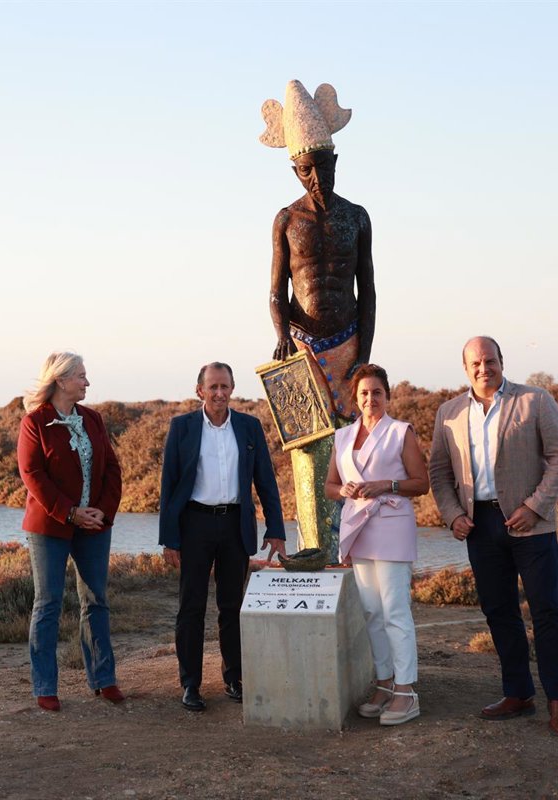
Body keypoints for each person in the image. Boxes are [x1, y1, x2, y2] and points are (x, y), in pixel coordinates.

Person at [428, 336, 558, 737]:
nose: (484, 368)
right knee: (499, 612)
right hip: (480, 527)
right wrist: (453, 515)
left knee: (547, 611)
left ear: (501, 361)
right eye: (475, 363)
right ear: (465, 369)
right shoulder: (449, 413)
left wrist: (535, 507)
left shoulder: (535, 400)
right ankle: (518, 693)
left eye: (489, 360)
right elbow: (438, 473)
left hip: (532, 524)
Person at [259, 80, 376, 563]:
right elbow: (276, 291)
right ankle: (311, 545)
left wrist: (363, 356)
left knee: (350, 442)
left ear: (335, 163)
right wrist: (282, 335)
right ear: (295, 169)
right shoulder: (287, 220)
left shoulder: (357, 217)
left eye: (322, 167)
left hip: (347, 340)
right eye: (306, 169)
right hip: (302, 342)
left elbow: (367, 291)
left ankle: (347, 546)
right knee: (306, 450)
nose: (315, 177)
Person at [159, 362, 288, 712]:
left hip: (235, 524)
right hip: (195, 525)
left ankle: (234, 677)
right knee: (191, 606)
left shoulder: (249, 427)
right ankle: (190, 684)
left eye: (224, 386)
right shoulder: (182, 427)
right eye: (213, 387)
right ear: (199, 390)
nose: (219, 393)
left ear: (232, 389)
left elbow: (265, 481)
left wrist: (276, 529)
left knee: (232, 605)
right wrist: (169, 539)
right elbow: (169, 485)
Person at [17, 351, 123, 712]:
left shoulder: (93, 419)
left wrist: (101, 512)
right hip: (50, 526)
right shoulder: (35, 423)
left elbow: (112, 469)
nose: (87, 382)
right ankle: (45, 686)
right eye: (81, 376)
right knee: (48, 603)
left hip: (94, 525)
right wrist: (71, 513)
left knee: (96, 600)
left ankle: (104, 679)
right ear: (61, 380)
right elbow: (33, 476)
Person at [324, 364, 429, 726]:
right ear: (355, 398)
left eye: (377, 392)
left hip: (392, 526)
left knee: (395, 610)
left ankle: (406, 691)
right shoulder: (342, 437)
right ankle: (384, 683)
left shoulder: (401, 432)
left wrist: (387, 485)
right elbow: (330, 486)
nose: (371, 399)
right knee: (371, 610)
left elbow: (421, 483)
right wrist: (344, 490)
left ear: (388, 395)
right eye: (364, 393)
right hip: (358, 528)